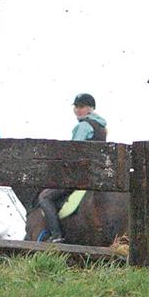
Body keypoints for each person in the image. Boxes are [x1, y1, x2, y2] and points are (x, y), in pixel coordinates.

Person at [36, 93, 108, 243]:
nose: (77, 110)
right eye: (76, 106)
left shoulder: (83, 126)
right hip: (97, 175)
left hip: (80, 176)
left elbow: (73, 152)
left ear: (90, 109)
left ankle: (56, 235)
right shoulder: (102, 127)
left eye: (81, 107)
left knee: (44, 197)